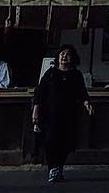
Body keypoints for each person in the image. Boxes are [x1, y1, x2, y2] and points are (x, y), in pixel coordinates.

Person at [32, 45, 92, 183]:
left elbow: (82, 93)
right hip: (50, 114)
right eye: (62, 54)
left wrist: (87, 103)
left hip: (68, 114)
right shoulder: (51, 73)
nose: (64, 56)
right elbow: (39, 93)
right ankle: (52, 168)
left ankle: (58, 167)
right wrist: (36, 110)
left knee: (66, 143)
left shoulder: (76, 75)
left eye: (68, 54)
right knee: (50, 141)